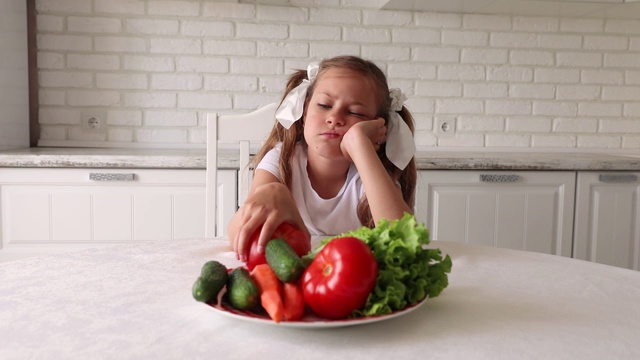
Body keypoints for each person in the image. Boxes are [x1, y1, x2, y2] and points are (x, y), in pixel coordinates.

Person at [228, 55, 417, 261]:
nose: (334, 118)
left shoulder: (371, 172)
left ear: (378, 128)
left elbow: (405, 244)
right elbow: (239, 233)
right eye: (325, 105)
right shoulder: (281, 160)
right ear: (305, 110)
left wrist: (360, 145)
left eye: (355, 112)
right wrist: (273, 191)